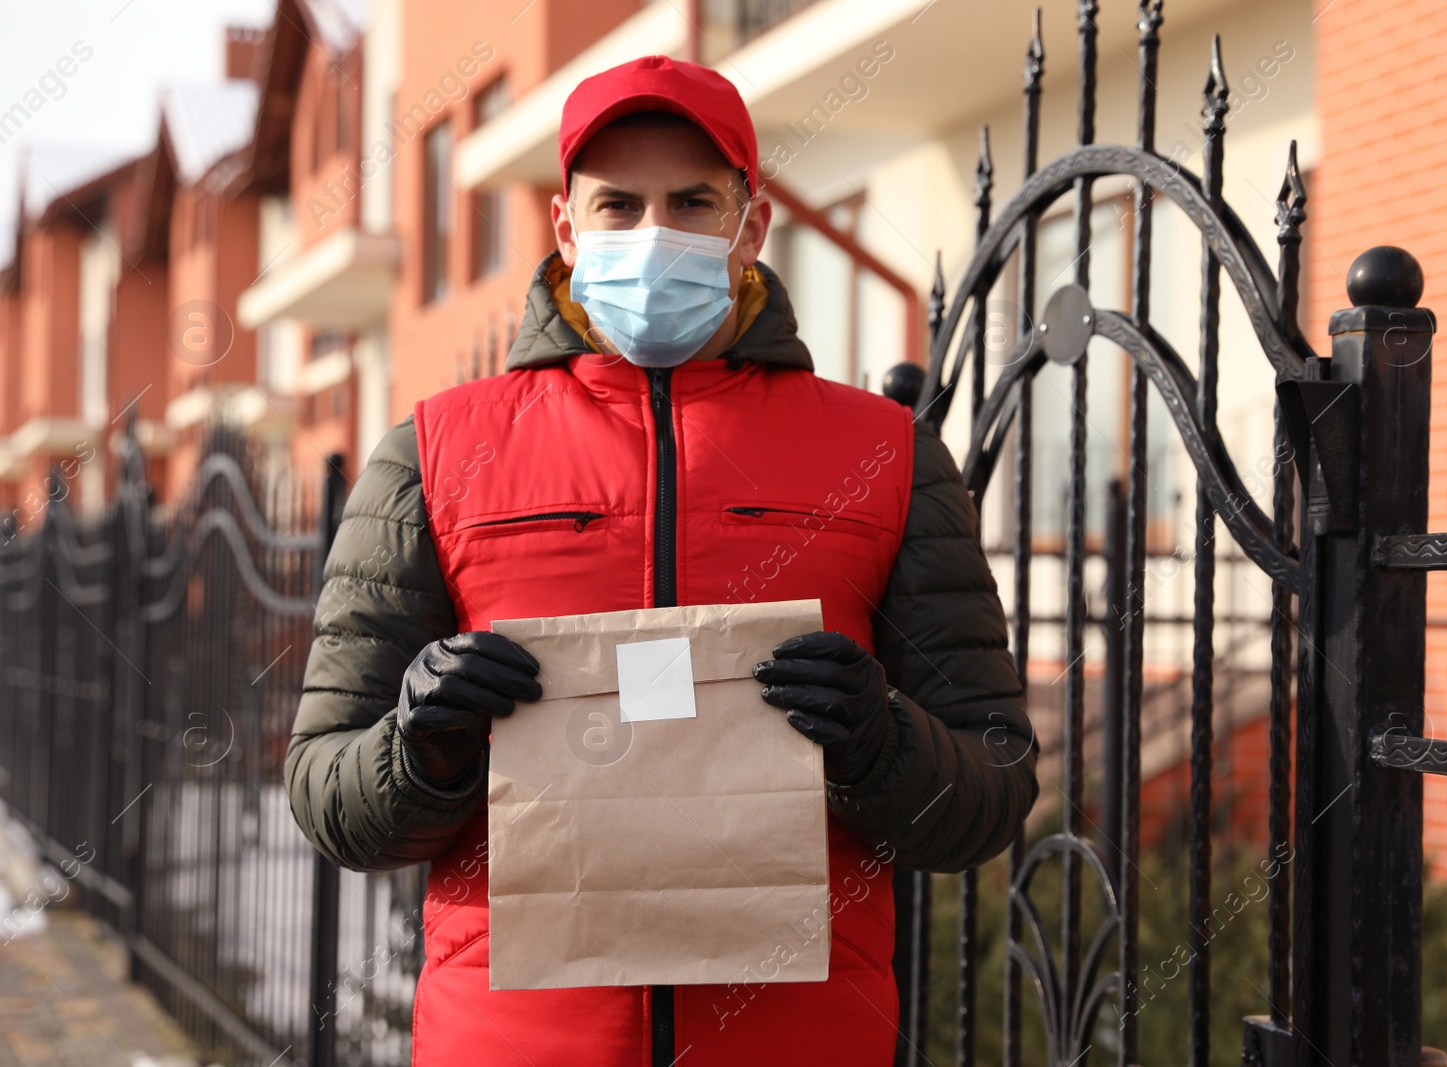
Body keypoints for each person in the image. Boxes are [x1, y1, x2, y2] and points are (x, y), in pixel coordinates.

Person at [286, 54, 1037, 1067]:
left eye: (691, 202)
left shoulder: (888, 457)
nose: (654, 235)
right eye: (618, 205)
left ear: (749, 224)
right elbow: (327, 794)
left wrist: (881, 741)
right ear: (566, 228)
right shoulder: (431, 455)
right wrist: (422, 744)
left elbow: (988, 789)